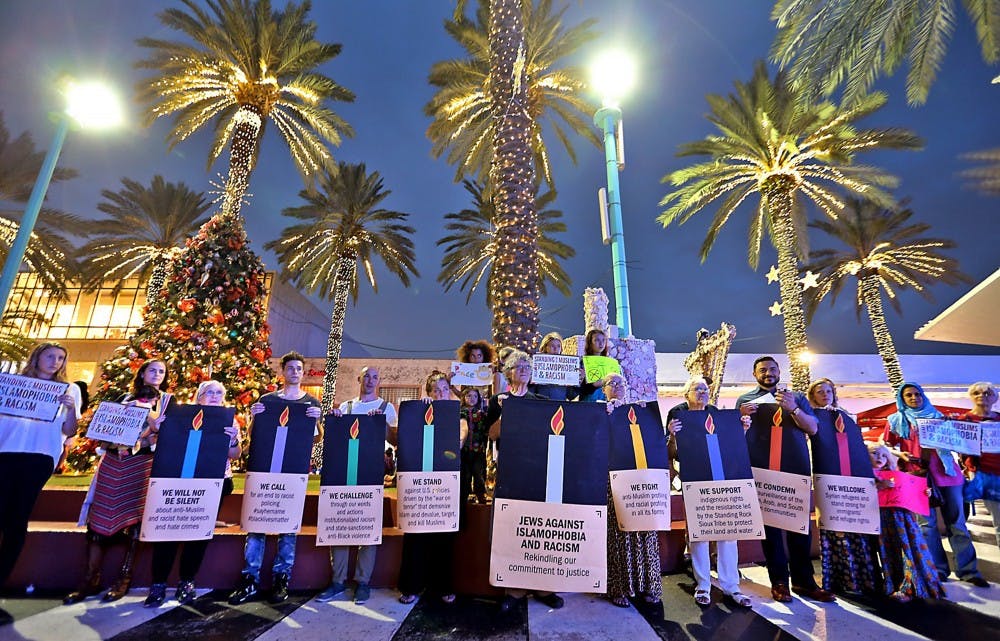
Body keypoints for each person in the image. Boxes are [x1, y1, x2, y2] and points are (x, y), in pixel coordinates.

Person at [65, 359, 169, 605]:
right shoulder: (124, 397)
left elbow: (168, 435)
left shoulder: (167, 403)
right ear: (142, 373)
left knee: (135, 521)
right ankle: (90, 578)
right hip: (113, 462)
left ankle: (124, 578)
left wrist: (146, 438)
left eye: (161, 371)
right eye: (152, 370)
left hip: (142, 464)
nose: (156, 374)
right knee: (98, 520)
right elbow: (104, 428)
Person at [735, 356, 833, 603]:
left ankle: (804, 582)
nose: (768, 373)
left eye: (772, 369)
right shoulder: (745, 400)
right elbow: (736, 435)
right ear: (755, 374)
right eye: (763, 370)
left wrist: (793, 409)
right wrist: (740, 418)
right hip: (762, 471)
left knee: (799, 528)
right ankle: (779, 582)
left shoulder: (797, 397)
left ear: (780, 372)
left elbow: (813, 428)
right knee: (771, 530)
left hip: (794, 469)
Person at [229, 352, 321, 605]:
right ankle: (250, 578)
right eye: (290, 368)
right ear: (282, 371)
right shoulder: (267, 401)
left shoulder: (311, 404)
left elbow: (315, 439)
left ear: (303, 373)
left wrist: (318, 423)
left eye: (298, 368)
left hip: (293, 471)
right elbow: (253, 436)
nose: (294, 372)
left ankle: (282, 578)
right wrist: (254, 417)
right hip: (265, 470)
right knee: (256, 524)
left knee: (288, 527)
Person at [0, 343, 81, 626]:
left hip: (39, 457)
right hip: (5, 453)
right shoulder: (11, 383)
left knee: (16, 521)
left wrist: (71, 410)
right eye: (50, 356)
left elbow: (70, 430)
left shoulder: (70, 390)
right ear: (36, 357)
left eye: (60, 358)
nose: (55, 362)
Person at [145, 380, 241, 607]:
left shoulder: (229, 420)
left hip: (213, 482)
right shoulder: (181, 415)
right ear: (199, 396)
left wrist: (234, 438)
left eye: (220, 392)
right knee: (167, 531)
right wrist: (157, 426)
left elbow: (235, 455)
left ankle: (187, 581)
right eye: (210, 392)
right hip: (178, 480)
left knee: (198, 534)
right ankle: (158, 583)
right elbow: (154, 441)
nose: (215, 396)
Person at [884, 382, 989, 587]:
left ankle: (969, 570)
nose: (914, 398)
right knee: (927, 526)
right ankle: (938, 570)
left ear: (923, 395)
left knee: (957, 523)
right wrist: (899, 454)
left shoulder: (939, 417)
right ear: (902, 399)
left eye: (917, 394)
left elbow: (959, 442)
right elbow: (887, 445)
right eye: (909, 395)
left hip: (949, 475)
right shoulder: (896, 420)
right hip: (918, 477)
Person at [486, 350, 564, 612]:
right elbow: (492, 434)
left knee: (539, 527)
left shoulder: (539, 401)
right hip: (510, 470)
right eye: (518, 366)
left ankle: (544, 587)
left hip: (538, 471)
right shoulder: (498, 401)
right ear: (508, 372)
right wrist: (506, 413)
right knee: (510, 528)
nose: (523, 369)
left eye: (527, 366)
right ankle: (514, 589)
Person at [668, 377, 752, 608]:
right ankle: (703, 584)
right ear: (687, 394)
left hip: (723, 481)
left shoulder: (718, 414)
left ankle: (731, 585)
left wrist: (742, 430)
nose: (702, 392)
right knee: (699, 534)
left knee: (728, 532)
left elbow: (732, 446)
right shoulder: (679, 415)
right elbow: (673, 453)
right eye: (697, 388)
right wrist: (673, 436)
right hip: (696, 481)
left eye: (705, 389)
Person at [317, 366, 398, 605]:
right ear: (359, 379)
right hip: (346, 473)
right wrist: (333, 420)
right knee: (341, 525)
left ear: (379, 381)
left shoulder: (386, 408)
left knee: (367, 529)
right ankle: (337, 581)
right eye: (367, 376)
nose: (371, 380)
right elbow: (333, 438)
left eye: (375, 376)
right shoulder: (346, 407)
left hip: (371, 473)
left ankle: (363, 582)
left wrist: (381, 424)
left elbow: (394, 440)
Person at [397, 372, 468, 605]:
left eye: (444, 389)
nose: (440, 393)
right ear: (429, 393)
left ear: (450, 390)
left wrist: (444, 419)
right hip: (419, 484)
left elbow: (459, 440)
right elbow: (405, 438)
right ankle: (411, 585)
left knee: (445, 537)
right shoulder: (419, 412)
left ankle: (443, 585)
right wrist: (421, 412)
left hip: (446, 483)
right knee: (416, 535)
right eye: (435, 390)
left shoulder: (459, 415)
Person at [806, 378, 880, 596]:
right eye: (820, 391)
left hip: (854, 484)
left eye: (828, 391)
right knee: (834, 530)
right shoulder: (811, 418)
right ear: (813, 396)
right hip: (829, 483)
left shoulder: (845, 416)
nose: (825, 394)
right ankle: (840, 580)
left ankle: (865, 578)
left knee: (858, 528)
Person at [603, 374, 662, 608]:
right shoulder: (600, 410)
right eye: (611, 384)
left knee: (646, 531)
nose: (617, 387)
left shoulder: (639, 410)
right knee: (619, 535)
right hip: (613, 479)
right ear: (604, 389)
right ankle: (619, 587)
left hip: (642, 480)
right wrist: (605, 417)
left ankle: (650, 584)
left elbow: (655, 442)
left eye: (621, 383)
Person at [869, 442, 944, 602]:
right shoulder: (865, 476)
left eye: (883, 455)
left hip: (903, 519)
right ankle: (895, 585)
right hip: (881, 520)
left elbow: (912, 493)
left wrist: (925, 493)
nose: (879, 458)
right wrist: (878, 486)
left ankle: (909, 587)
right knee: (889, 552)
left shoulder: (896, 473)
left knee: (908, 549)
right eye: (875, 453)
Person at [960, 382, 1000, 550]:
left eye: (987, 393)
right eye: (977, 393)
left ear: (995, 398)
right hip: (985, 474)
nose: (981, 396)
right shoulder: (965, 420)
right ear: (971, 397)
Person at [528, 332, 580, 402]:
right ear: (545, 347)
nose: (556, 349)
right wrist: (531, 383)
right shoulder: (537, 365)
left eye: (558, 346)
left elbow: (571, 396)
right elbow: (530, 393)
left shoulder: (566, 367)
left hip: (559, 406)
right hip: (540, 405)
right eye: (552, 345)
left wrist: (577, 382)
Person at [459, 387, 489, 505]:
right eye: (469, 396)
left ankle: (480, 496)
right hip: (464, 450)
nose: (472, 399)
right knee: (465, 475)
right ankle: (463, 497)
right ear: (464, 398)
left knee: (478, 474)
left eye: (475, 396)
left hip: (478, 451)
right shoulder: (459, 412)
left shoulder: (482, 413)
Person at [578, 329, 619, 402]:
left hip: (606, 401)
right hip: (589, 402)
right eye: (597, 340)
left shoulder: (611, 363)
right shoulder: (583, 363)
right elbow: (581, 390)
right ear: (590, 343)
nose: (601, 343)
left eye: (603, 340)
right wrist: (593, 385)